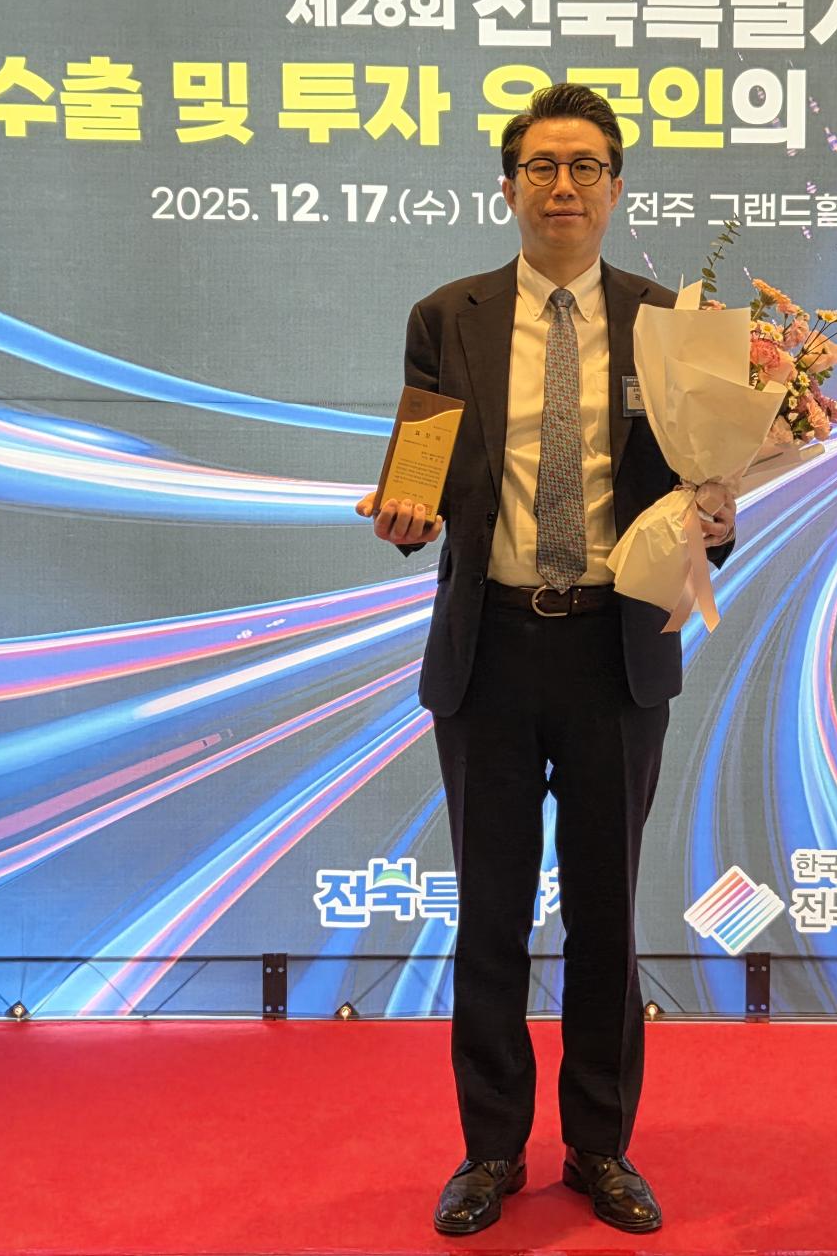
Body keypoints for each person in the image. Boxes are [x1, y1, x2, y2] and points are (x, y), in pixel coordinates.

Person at [355, 82, 735, 1237]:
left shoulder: (667, 322)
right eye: (540, 166)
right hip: (490, 649)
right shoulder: (448, 316)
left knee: (606, 915)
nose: (561, 186)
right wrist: (405, 513)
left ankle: (599, 1147)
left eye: (583, 167)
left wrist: (719, 514)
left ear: (614, 187)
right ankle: (488, 1152)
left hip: (616, 652)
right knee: (489, 911)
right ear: (508, 185)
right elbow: (420, 469)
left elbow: (697, 486)